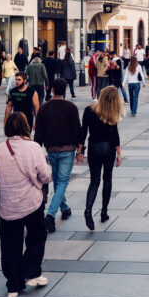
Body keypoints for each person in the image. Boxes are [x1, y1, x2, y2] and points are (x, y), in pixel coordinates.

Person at [0, 112, 51, 297]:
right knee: (37, 236)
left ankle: (13, 284)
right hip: (30, 203)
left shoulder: (0, 149)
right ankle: (31, 271)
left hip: (8, 205)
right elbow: (45, 176)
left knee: (10, 245)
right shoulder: (33, 147)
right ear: (25, 126)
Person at [34, 79, 81, 233]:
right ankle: (51, 216)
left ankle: (65, 208)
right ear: (65, 90)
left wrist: (36, 149)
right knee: (62, 182)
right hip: (68, 149)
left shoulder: (43, 108)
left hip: (51, 149)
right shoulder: (71, 107)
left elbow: (39, 132)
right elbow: (77, 130)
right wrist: (80, 149)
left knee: (58, 181)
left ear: (52, 89)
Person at [77, 87, 122, 231]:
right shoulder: (112, 111)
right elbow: (115, 134)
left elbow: (83, 131)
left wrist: (80, 150)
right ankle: (104, 212)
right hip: (108, 148)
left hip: (94, 147)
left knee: (94, 181)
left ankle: (88, 209)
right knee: (107, 179)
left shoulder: (89, 110)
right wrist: (119, 153)